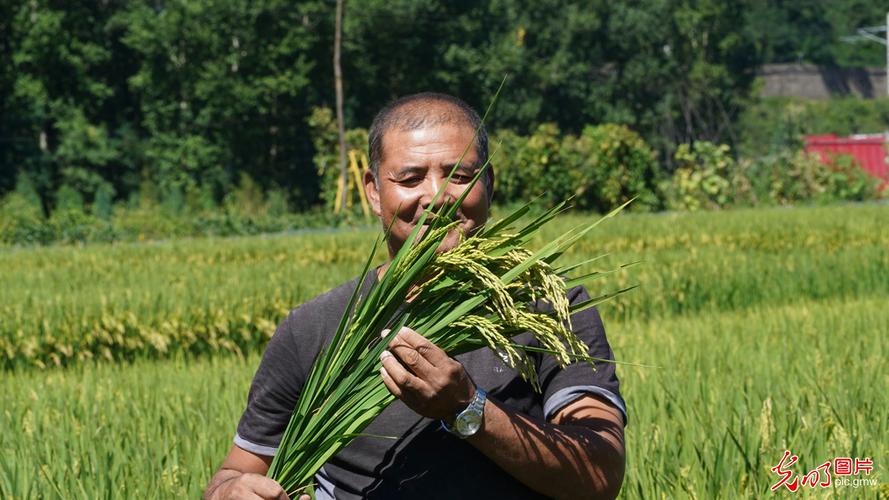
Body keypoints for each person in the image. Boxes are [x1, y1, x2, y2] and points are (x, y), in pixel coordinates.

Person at [204, 93, 627, 500]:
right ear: (373, 190)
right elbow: (239, 471)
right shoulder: (316, 327)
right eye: (409, 178)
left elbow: (601, 473)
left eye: (460, 176)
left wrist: (468, 408)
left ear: (490, 184)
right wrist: (229, 490)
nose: (438, 196)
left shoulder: (546, 305)